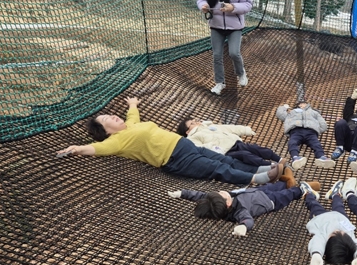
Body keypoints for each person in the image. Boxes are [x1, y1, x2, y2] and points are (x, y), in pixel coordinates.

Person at [56, 97, 284, 186]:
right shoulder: (117, 142)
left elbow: (132, 114)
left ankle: (263, 168)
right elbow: (97, 149)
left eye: (110, 115)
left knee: (224, 160)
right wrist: (78, 149)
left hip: (186, 146)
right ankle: (258, 178)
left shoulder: (131, 125)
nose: (113, 117)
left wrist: (133, 104)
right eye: (107, 120)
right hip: (175, 159)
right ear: (106, 131)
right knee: (217, 168)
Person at [167, 180, 321, 237]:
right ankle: (301, 190)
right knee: (286, 194)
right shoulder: (239, 211)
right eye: (222, 194)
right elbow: (247, 219)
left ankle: (287, 182)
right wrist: (243, 227)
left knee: (276, 186)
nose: (222, 192)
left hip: (257, 191)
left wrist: (182, 193)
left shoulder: (214, 200)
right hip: (269, 202)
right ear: (228, 203)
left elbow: (198, 195)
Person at [196, 0, 253, 95]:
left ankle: (241, 73)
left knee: (234, 52)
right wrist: (203, 6)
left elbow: (248, 4)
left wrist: (233, 7)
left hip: (235, 27)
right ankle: (219, 83)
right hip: (216, 25)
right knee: (217, 55)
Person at [303, 180, 357, 265]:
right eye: (343, 233)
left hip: (321, 217)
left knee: (314, 205)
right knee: (339, 205)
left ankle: (308, 194)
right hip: (340, 217)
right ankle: (335, 194)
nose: (338, 230)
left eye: (335, 233)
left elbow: (317, 243)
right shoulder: (350, 239)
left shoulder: (323, 236)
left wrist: (316, 254)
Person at [176, 118, 281, 168]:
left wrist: (245, 130)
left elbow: (229, 128)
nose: (196, 122)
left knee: (254, 148)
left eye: (195, 120)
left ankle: (278, 159)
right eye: (192, 123)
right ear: (187, 131)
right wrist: (213, 146)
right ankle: (270, 165)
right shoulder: (192, 138)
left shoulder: (210, 126)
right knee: (246, 155)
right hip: (226, 151)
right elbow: (199, 148)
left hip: (235, 142)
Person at [275, 101, 336, 170]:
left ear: (307, 105)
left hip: (310, 131)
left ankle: (321, 157)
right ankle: (295, 157)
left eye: (303, 104)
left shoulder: (313, 112)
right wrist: (284, 107)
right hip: (296, 130)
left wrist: (318, 130)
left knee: (316, 143)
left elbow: (322, 123)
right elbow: (280, 114)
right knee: (292, 142)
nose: (301, 105)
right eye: (299, 104)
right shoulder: (292, 112)